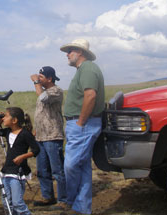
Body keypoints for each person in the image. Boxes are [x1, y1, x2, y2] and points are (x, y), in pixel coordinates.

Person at [59, 38, 105, 215]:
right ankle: (82, 209)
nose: (67, 54)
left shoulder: (87, 68)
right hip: (81, 124)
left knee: (70, 165)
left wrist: (80, 123)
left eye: (70, 51)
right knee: (83, 166)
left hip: (82, 124)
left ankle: (72, 202)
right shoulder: (84, 70)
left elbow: (90, 96)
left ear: (80, 53)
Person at [30, 66, 67, 209]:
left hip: (52, 136)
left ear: (49, 79)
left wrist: (35, 82)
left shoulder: (56, 91)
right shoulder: (44, 92)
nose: (38, 79)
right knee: (42, 170)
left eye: (41, 77)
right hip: (41, 136)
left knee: (57, 170)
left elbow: (42, 98)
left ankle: (63, 200)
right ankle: (48, 197)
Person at [0, 107, 40, 215]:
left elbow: (36, 150)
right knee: (6, 203)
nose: (4, 118)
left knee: (17, 203)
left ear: (14, 120)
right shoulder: (7, 132)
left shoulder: (25, 134)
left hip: (18, 172)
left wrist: (22, 157)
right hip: (6, 171)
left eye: (6, 116)